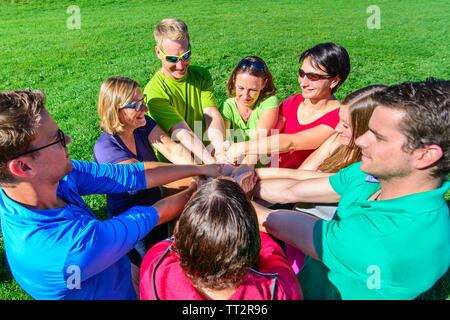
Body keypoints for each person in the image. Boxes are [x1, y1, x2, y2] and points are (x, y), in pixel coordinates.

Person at [0, 89, 221, 300]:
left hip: (117, 274)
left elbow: (128, 175)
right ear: (23, 167)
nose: (68, 139)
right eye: (56, 138)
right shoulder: (68, 249)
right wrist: (194, 190)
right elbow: (150, 215)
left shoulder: (37, 182)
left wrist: (199, 169)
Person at [252, 79, 450, 299]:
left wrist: (220, 190)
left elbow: (268, 220)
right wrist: (241, 180)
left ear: (425, 155)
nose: (361, 139)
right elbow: (292, 189)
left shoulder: (387, 238)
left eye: (378, 136)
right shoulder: (373, 174)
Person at [93, 75, 196, 295]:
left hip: (156, 207)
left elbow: (172, 150)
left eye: (144, 100)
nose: (145, 108)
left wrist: (199, 168)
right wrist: (200, 172)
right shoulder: (106, 149)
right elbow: (148, 175)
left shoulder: (141, 124)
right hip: (132, 221)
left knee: (165, 258)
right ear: (117, 110)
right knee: (143, 271)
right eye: (137, 104)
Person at [139, 178, 302, 300]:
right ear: (250, 245)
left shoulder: (156, 266)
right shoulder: (278, 290)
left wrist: (205, 212)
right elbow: (272, 253)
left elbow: (178, 238)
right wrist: (244, 216)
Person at [224, 43, 350, 169]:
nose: (303, 83)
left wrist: (242, 147)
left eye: (313, 77)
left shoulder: (338, 117)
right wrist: (246, 167)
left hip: (292, 182)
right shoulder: (293, 102)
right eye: (302, 73)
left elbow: (291, 142)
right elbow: (268, 138)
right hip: (266, 173)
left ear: (334, 81)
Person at [144, 18, 226, 165]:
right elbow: (181, 132)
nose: (181, 65)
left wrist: (219, 151)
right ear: (158, 52)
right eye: (173, 59)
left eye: (186, 56)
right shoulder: (154, 92)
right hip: (180, 165)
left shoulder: (201, 75)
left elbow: (211, 114)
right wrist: (211, 164)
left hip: (211, 155)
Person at [219, 56, 279, 166]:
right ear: (234, 81)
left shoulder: (269, 102)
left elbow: (258, 140)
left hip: (262, 167)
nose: (245, 96)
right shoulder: (227, 106)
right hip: (232, 164)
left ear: (264, 84)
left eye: (252, 90)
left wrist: (244, 168)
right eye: (241, 88)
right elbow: (221, 141)